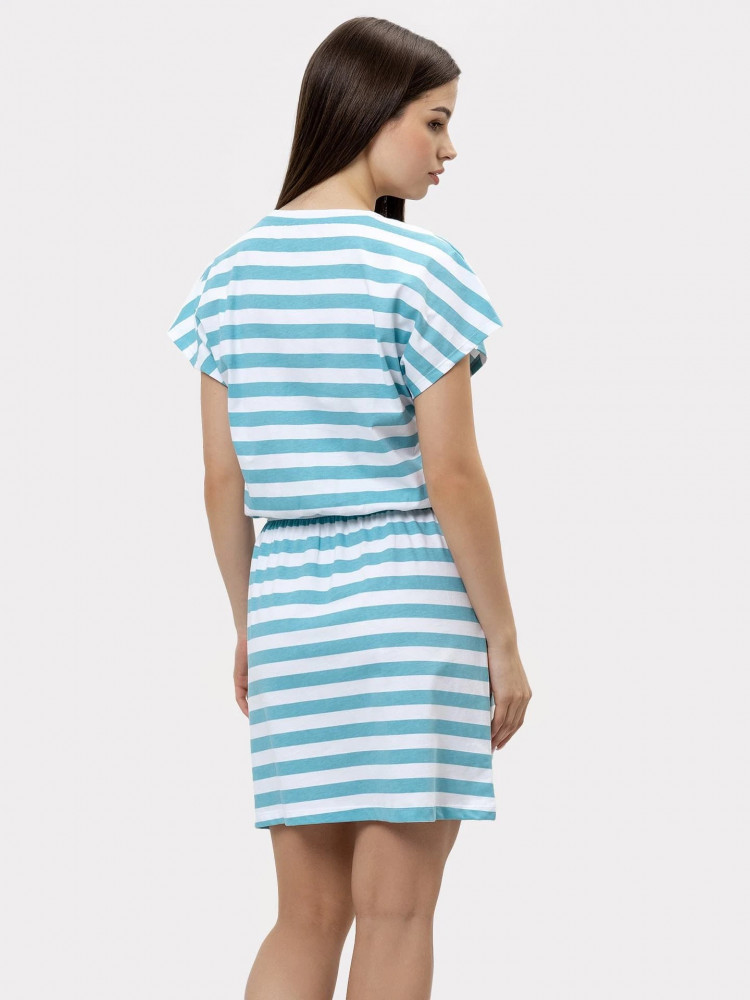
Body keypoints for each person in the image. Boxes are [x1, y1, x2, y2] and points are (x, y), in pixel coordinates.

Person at [165, 15, 532, 1000]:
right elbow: (453, 474)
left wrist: (250, 624)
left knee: (306, 916)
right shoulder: (420, 267)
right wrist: (502, 638)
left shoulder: (229, 275)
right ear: (371, 112)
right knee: (398, 914)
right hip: (408, 607)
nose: (449, 150)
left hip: (290, 611)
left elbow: (222, 480)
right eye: (435, 121)